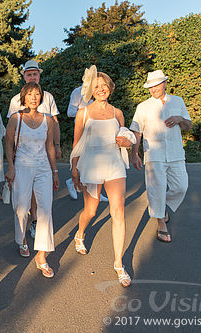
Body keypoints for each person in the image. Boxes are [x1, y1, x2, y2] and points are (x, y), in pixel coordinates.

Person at [70, 66, 135, 287]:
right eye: (96, 86)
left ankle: (119, 263)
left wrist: (126, 142)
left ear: (110, 89)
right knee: (91, 210)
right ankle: (79, 234)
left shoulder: (117, 113)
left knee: (118, 211)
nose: (101, 89)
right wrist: (74, 169)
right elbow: (77, 144)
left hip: (114, 164)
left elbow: (124, 136)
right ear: (90, 89)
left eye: (104, 86)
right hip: (91, 164)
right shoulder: (84, 113)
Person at [5, 82, 59, 278]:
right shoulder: (16, 118)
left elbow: (50, 147)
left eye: (37, 94)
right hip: (22, 166)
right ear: (23, 97)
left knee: (45, 209)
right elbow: (9, 144)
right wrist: (10, 167)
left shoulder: (48, 120)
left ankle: (42, 255)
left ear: (41, 97)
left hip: (43, 167)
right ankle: (22, 240)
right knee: (21, 208)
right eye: (30, 94)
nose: (34, 97)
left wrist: (54, 171)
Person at [130, 70, 191, 243]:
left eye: (157, 84)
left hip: (176, 153)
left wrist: (180, 118)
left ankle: (162, 207)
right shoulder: (143, 107)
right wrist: (135, 154)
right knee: (156, 189)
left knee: (181, 186)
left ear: (165, 83)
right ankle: (160, 222)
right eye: (150, 86)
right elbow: (137, 131)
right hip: (153, 154)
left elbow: (188, 125)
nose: (153, 88)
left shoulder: (177, 101)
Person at [7, 60, 61, 238]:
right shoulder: (16, 100)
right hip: (23, 158)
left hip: (43, 155)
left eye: (35, 74)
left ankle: (36, 222)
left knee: (41, 196)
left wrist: (57, 145)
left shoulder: (49, 97)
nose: (32, 77)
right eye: (29, 74)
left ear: (39, 75)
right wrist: (12, 164)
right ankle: (27, 225)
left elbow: (54, 122)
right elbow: (11, 134)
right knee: (25, 197)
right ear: (24, 76)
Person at [66, 83, 109, 203]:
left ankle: (97, 192)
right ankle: (71, 182)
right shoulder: (77, 92)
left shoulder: (99, 91)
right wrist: (87, 112)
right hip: (83, 130)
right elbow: (70, 112)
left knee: (98, 162)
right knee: (84, 162)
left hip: (98, 130)